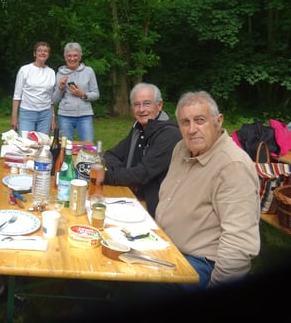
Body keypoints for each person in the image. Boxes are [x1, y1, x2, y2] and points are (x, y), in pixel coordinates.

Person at [155, 90, 260, 290]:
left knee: (134, 282)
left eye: (200, 120)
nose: (192, 129)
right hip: (165, 247)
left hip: (201, 264)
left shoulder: (233, 165)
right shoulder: (181, 149)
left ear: (218, 121)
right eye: (185, 122)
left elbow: (239, 242)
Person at [103, 83, 182, 217]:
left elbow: (142, 173)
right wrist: (127, 176)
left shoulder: (169, 135)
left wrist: (105, 176)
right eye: (136, 104)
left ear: (159, 105)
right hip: (130, 195)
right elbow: (111, 154)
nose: (141, 109)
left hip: (155, 206)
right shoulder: (139, 129)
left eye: (147, 103)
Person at [52, 42, 99, 142]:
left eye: (75, 55)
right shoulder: (60, 73)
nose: (72, 58)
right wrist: (61, 87)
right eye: (69, 56)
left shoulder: (88, 71)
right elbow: (55, 100)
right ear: (65, 57)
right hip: (65, 116)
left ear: (80, 56)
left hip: (85, 115)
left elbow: (96, 94)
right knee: (65, 146)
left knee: (87, 145)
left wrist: (83, 94)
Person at [11, 41, 56, 136]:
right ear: (34, 53)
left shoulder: (51, 72)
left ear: (48, 54)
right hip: (27, 113)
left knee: (42, 142)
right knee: (25, 142)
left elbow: (51, 98)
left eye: (45, 51)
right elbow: (17, 96)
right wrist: (14, 117)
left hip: (45, 114)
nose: (43, 53)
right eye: (40, 50)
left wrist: (53, 117)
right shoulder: (25, 70)